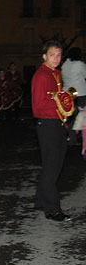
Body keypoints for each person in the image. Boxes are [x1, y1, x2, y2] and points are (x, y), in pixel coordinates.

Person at [31, 40, 71, 222]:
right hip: (48, 125)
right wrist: (61, 105)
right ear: (44, 56)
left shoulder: (55, 74)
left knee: (52, 165)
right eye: (52, 55)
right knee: (52, 168)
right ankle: (52, 208)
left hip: (56, 124)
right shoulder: (42, 76)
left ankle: (41, 200)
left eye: (59, 55)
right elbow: (38, 107)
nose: (56, 58)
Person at [61, 46, 86, 144]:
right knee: (81, 116)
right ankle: (80, 137)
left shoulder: (64, 65)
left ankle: (71, 137)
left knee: (70, 116)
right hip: (80, 93)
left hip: (68, 93)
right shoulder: (80, 64)